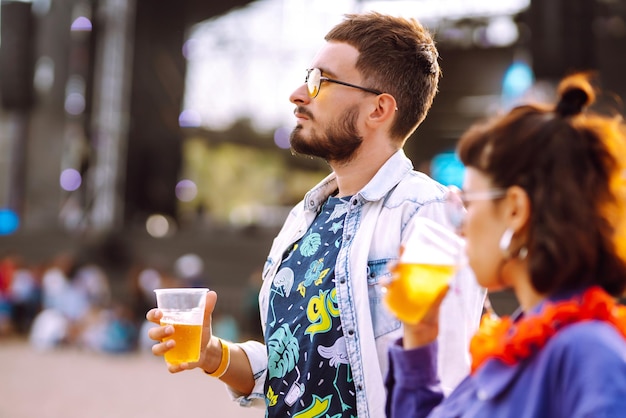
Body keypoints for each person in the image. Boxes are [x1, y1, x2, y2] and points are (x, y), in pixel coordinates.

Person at [147, 12, 485, 417]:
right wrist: (212, 353)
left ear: (378, 110)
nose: (297, 93)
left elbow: (443, 385)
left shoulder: (427, 216)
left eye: (320, 81)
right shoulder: (304, 219)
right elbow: (289, 374)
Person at [385, 73, 626, 418]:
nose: (462, 224)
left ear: (515, 209)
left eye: (468, 201)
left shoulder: (587, 351)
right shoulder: (514, 339)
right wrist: (419, 337)